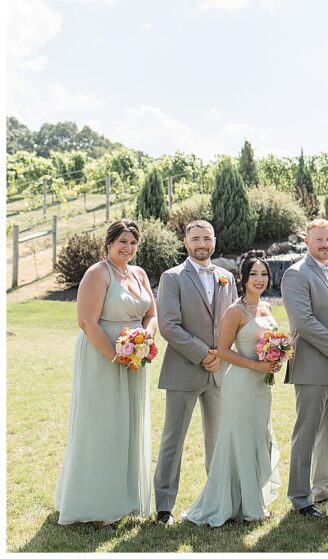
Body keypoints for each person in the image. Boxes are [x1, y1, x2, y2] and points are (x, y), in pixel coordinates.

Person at [55, 219, 157, 525]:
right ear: (109, 243)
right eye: (122, 242)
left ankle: (124, 499)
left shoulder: (139, 273)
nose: (128, 248)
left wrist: (145, 340)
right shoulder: (98, 274)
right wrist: (115, 356)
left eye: (133, 243)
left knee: (129, 425)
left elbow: (152, 313)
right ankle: (95, 505)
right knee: (102, 425)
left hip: (135, 358)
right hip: (102, 357)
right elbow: (87, 322)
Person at [185, 250, 282, 525]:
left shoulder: (267, 308)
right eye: (254, 274)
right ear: (243, 278)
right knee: (239, 438)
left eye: (264, 274)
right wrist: (256, 366)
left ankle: (254, 499)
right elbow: (223, 351)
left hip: (263, 387)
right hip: (241, 384)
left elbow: (272, 341)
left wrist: (277, 355)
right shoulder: (234, 311)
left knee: (258, 436)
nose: (260, 279)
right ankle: (242, 506)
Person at [154, 220, 238, 526]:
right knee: (173, 440)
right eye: (196, 239)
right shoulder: (172, 277)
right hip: (184, 369)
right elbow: (168, 325)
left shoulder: (226, 277)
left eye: (207, 238)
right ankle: (164, 507)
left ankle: (217, 502)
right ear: (186, 242)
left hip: (220, 371)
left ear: (214, 241)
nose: (202, 244)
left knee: (218, 440)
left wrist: (222, 355)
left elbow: (234, 321)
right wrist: (203, 354)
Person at [282, 218, 328, 517]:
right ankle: (300, 497)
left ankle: (323, 488)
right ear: (307, 241)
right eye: (319, 240)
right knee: (307, 432)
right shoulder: (296, 274)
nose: (325, 245)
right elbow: (304, 322)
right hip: (313, 363)